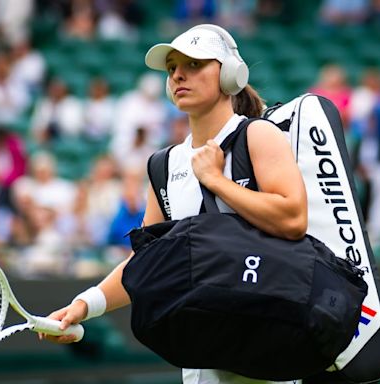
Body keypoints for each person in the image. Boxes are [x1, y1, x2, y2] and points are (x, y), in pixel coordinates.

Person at [41, 24, 307, 384]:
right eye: (172, 68)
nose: (179, 74)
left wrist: (216, 181)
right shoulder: (162, 165)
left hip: (267, 351)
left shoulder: (258, 135)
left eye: (194, 64)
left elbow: (293, 218)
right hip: (202, 356)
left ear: (230, 74)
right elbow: (149, 263)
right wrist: (85, 305)